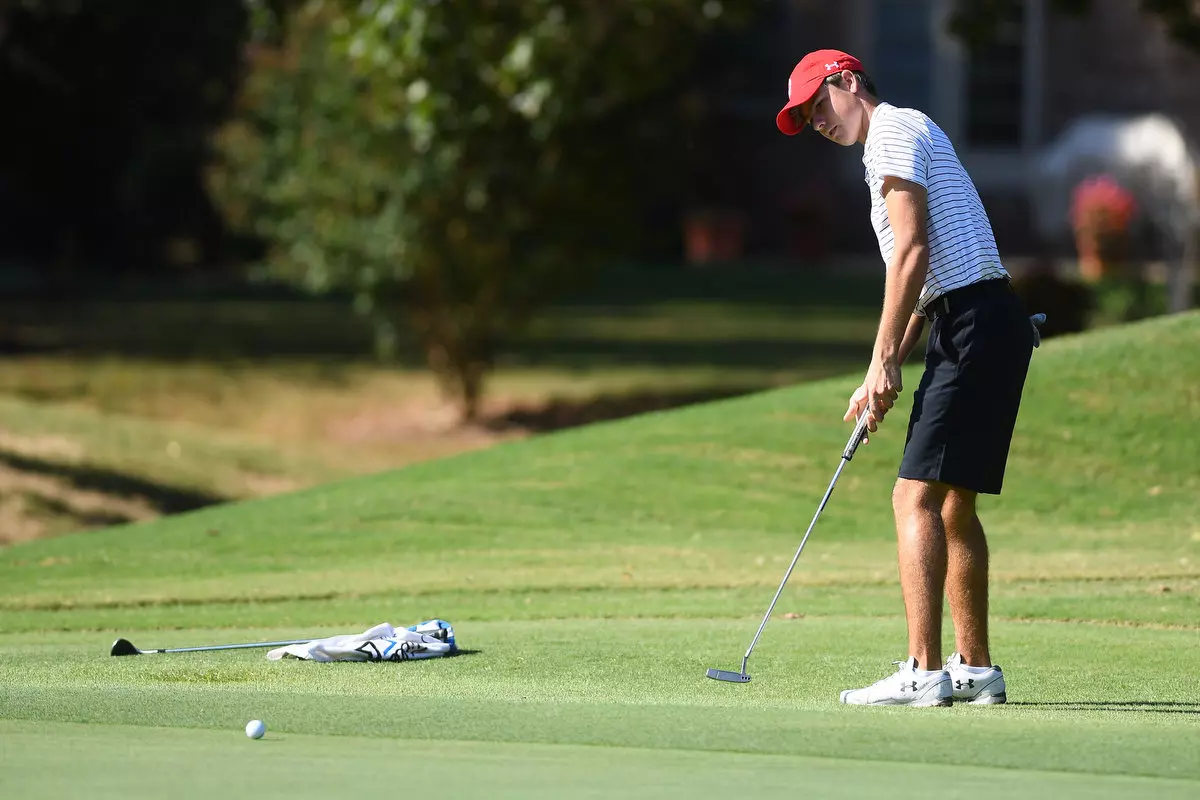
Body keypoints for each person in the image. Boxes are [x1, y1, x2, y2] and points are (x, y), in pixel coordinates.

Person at [775, 50, 1036, 706]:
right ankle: (974, 671)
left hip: (974, 324)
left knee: (911, 498)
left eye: (817, 106)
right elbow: (922, 284)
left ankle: (923, 673)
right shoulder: (906, 133)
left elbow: (914, 252)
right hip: (990, 319)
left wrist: (882, 357)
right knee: (952, 504)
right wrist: (881, 375)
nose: (817, 123)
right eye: (806, 120)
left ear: (848, 80)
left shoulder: (890, 131)